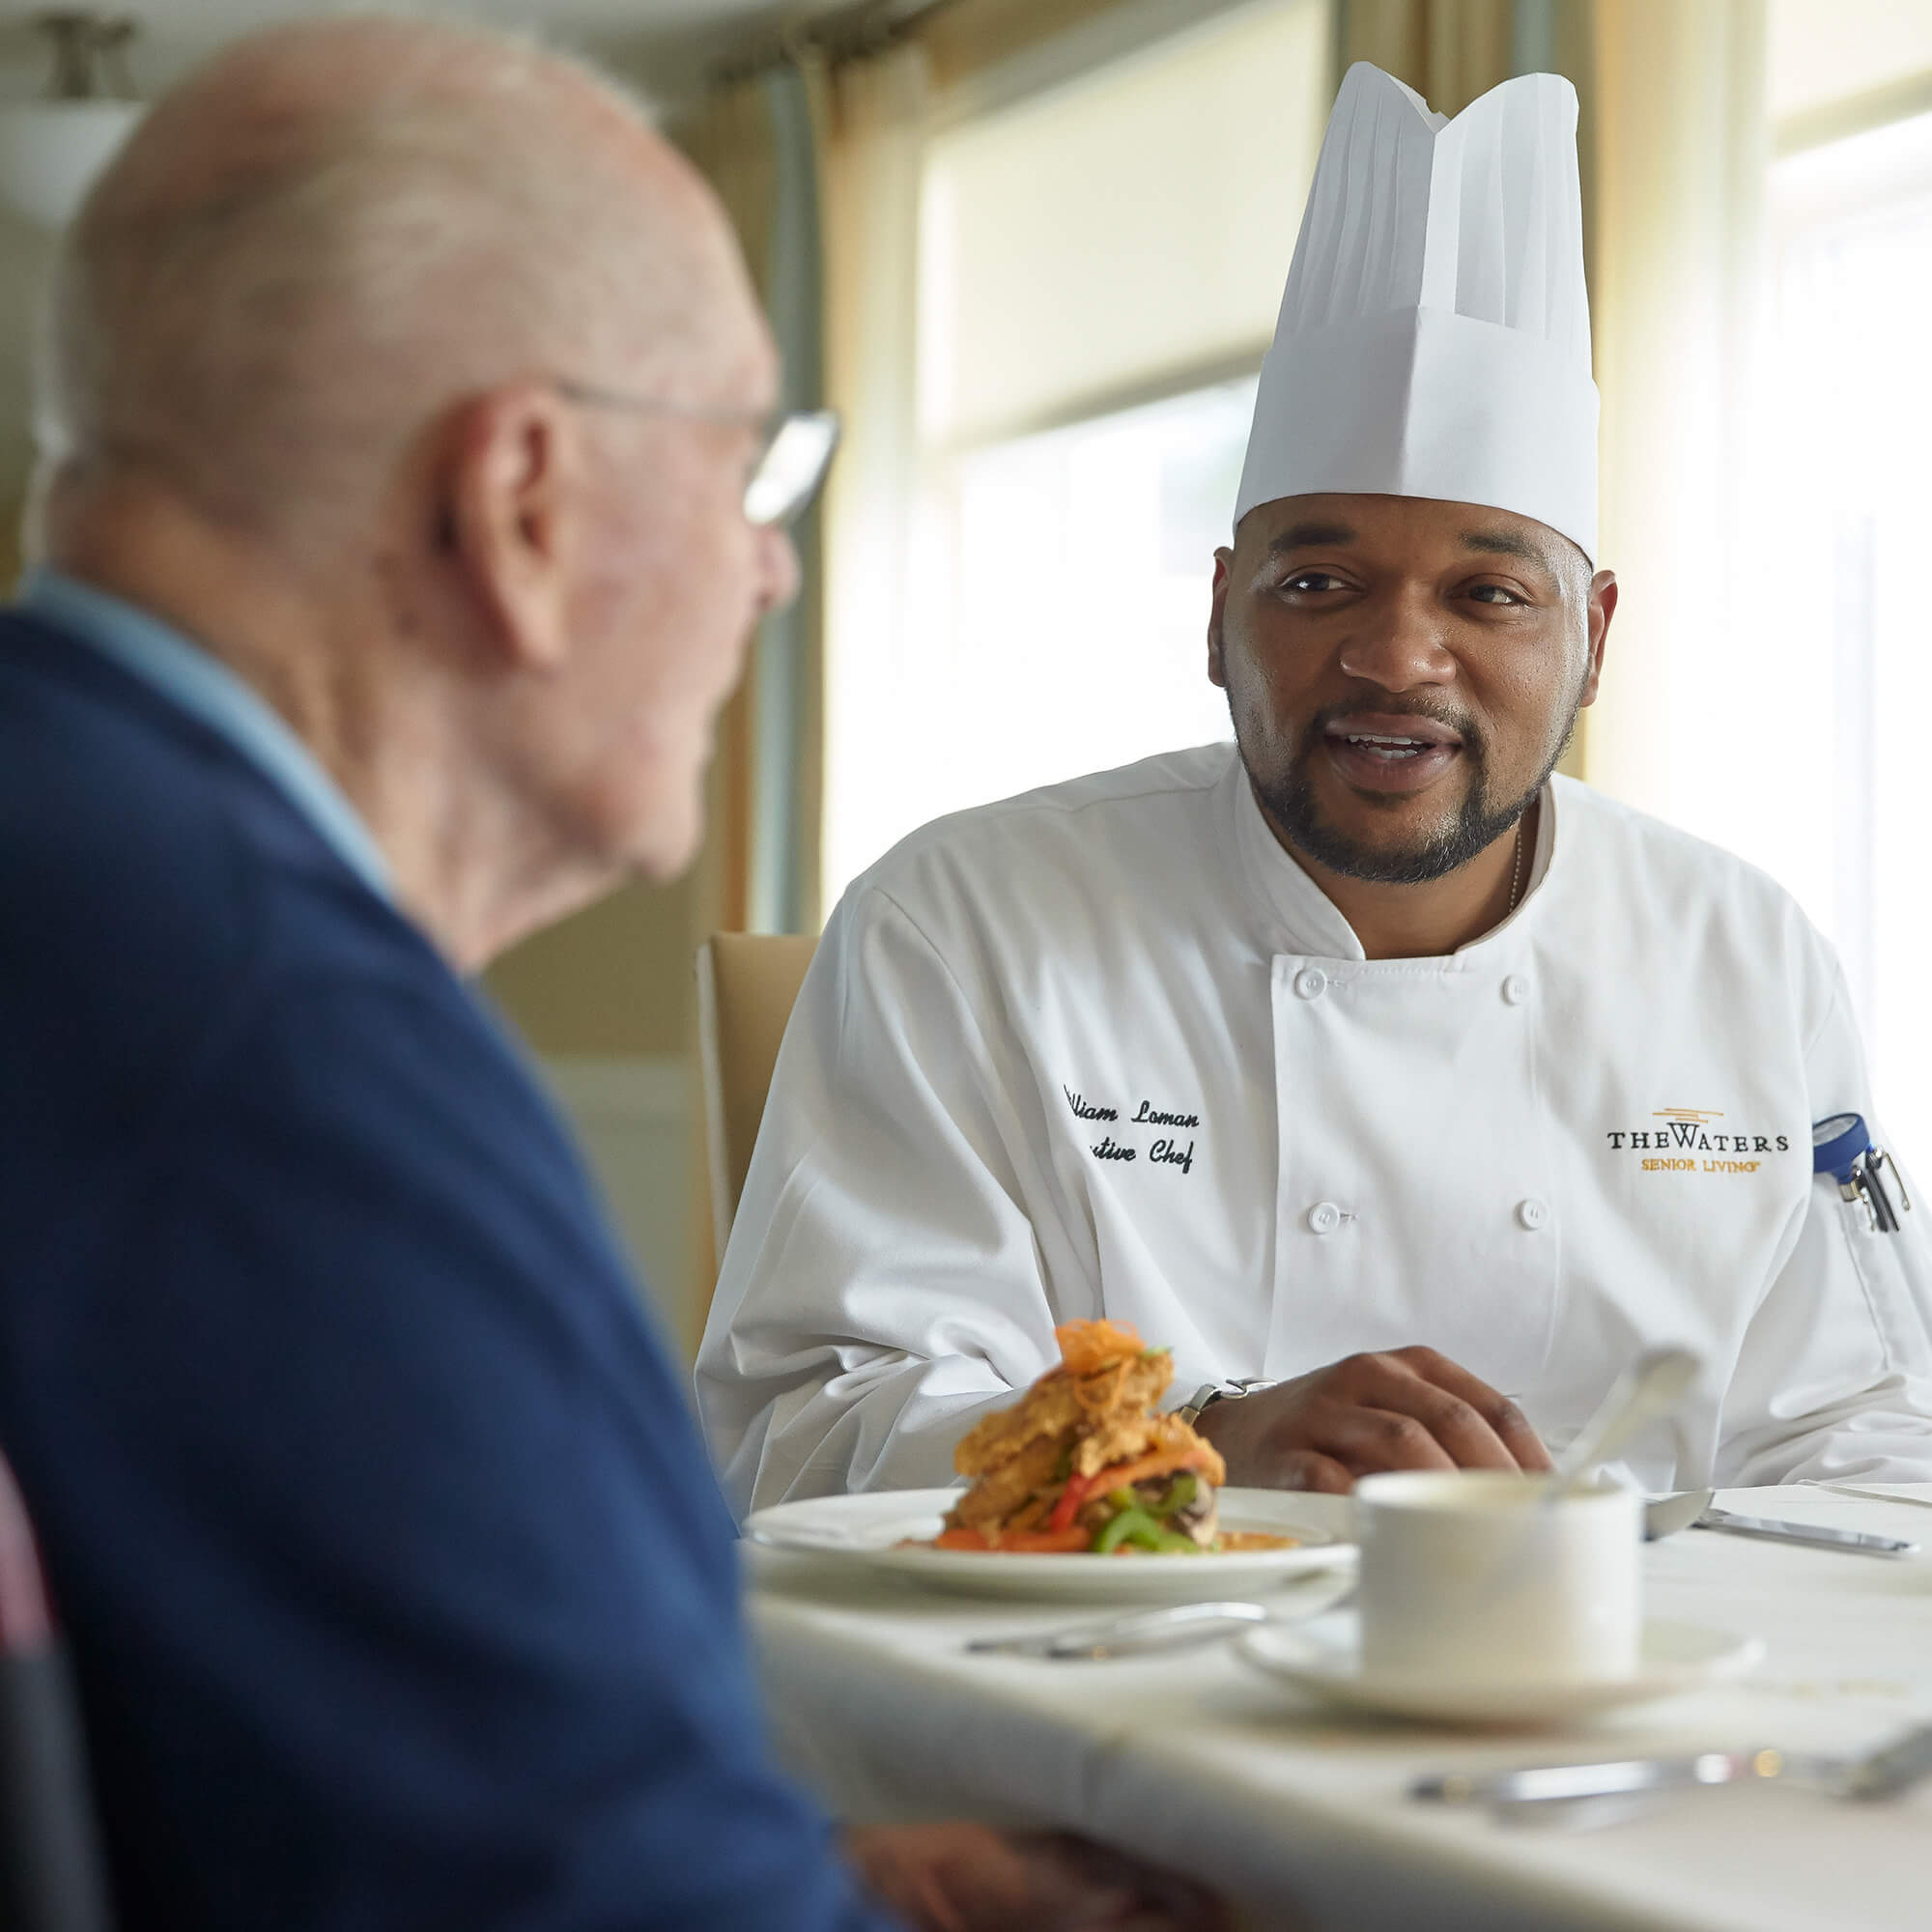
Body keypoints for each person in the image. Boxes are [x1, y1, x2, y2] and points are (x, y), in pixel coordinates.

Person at [0, 16, 1224, 1931]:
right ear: (524, 502)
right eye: (747, 464)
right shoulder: (282, 1060)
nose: (771, 574)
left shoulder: (86, 871)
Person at [697, 62, 1932, 1515]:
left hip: (1646, 1702)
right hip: (1115, 1687)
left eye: (1487, 593)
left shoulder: (1745, 952)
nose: (1398, 657)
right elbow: (805, 1432)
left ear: (1594, 637)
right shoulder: (964, 920)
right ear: (1221, 613)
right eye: (1320, 580)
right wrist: (1203, 1444)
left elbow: (1866, 1437)